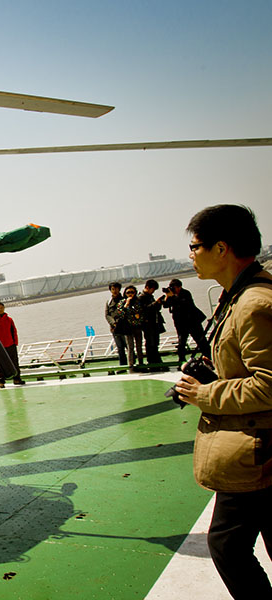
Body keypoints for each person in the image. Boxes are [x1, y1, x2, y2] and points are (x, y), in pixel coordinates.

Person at [173, 204, 272, 599]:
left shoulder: (254, 304)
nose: (191, 255)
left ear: (222, 249)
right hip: (256, 445)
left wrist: (204, 393)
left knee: (227, 545)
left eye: (195, 246)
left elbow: (268, 384)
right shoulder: (239, 296)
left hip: (257, 449)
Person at [159, 278, 211, 364]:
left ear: (179, 287)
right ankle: (181, 360)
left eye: (174, 287)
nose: (173, 289)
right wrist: (167, 297)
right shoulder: (172, 295)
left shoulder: (186, 293)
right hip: (180, 323)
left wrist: (173, 296)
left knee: (201, 340)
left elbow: (184, 304)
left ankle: (209, 356)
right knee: (181, 342)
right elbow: (166, 306)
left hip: (192, 321)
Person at [0, 302, 25, 388]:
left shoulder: (9, 320)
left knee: (14, 362)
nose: (0, 309)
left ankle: (17, 379)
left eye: (1, 308)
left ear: (4, 308)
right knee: (0, 364)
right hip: (0, 347)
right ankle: (1, 381)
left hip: (10, 344)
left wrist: (15, 342)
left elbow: (14, 331)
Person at [138, 279, 166, 367]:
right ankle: (152, 361)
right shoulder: (141, 297)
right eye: (152, 289)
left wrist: (158, 303)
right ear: (147, 287)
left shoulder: (149, 296)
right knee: (150, 343)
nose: (153, 292)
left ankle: (156, 360)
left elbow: (154, 309)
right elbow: (144, 310)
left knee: (155, 343)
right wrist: (156, 303)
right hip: (148, 325)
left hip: (154, 323)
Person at [120, 284, 144, 369]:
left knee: (139, 346)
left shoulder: (138, 301)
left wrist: (138, 316)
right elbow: (120, 314)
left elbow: (141, 312)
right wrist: (126, 304)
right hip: (128, 328)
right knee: (130, 347)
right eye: (128, 292)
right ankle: (131, 364)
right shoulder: (122, 302)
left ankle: (141, 363)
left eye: (132, 292)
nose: (130, 294)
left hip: (137, 326)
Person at [105, 282, 128, 366]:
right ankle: (123, 365)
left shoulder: (124, 300)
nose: (114, 291)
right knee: (120, 348)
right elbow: (107, 315)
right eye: (112, 289)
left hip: (125, 327)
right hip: (114, 329)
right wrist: (113, 323)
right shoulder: (109, 302)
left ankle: (132, 364)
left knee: (129, 347)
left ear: (119, 289)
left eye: (116, 289)